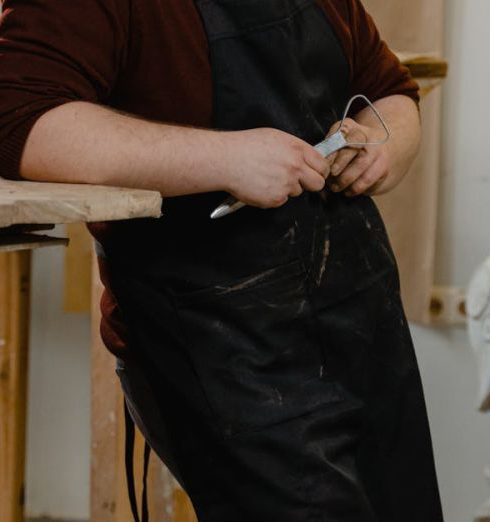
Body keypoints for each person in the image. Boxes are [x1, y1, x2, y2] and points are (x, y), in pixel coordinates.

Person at [0, 0, 444, 520]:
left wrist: (385, 141)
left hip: (360, 320)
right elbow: (17, 118)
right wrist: (223, 158)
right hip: (220, 346)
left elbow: (389, 87)